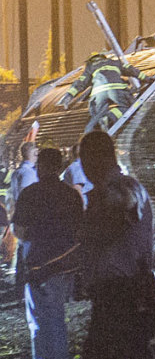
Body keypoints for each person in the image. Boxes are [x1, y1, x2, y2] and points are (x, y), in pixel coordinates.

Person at [78, 131, 155, 359]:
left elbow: (122, 208)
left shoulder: (124, 187)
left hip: (123, 293)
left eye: (84, 158)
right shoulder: (114, 189)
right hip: (113, 292)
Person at [12, 148, 83, 359]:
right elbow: (80, 229)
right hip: (66, 264)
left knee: (41, 322)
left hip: (40, 265)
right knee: (57, 316)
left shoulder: (31, 193)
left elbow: (20, 230)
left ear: (40, 166)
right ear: (60, 166)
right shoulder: (70, 194)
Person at [58, 52, 148, 133]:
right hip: (116, 89)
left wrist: (69, 95)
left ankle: (90, 136)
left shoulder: (90, 67)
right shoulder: (114, 62)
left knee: (96, 117)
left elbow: (81, 81)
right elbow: (132, 70)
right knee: (129, 107)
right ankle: (109, 118)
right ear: (103, 57)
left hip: (98, 94)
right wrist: (147, 79)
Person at [8, 142, 39, 292]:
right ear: (30, 153)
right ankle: (25, 283)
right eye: (35, 150)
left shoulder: (17, 172)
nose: (38, 153)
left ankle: (20, 282)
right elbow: (28, 197)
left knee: (22, 249)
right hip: (28, 218)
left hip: (19, 217)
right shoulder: (28, 173)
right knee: (28, 250)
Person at [63, 143, 93, 209]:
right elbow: (78, 188)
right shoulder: (77, 166)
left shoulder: (75, 166)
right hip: (85, 205)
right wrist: (83, 208)